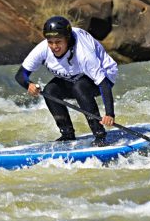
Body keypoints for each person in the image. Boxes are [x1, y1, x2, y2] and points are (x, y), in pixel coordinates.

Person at [14, 16, 118, 146]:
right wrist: (28, 84)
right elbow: (20, 74)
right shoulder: (42, 49)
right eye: (50, 42)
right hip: (73, 77)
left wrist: (109, 114)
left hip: (106, 76)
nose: (54, 46)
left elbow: (103, 84)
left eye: (58, 42)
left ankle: (100, 135)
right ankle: (67, 134)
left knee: (79, 87)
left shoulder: (83, 54)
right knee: (50, 91)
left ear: (67, 39)